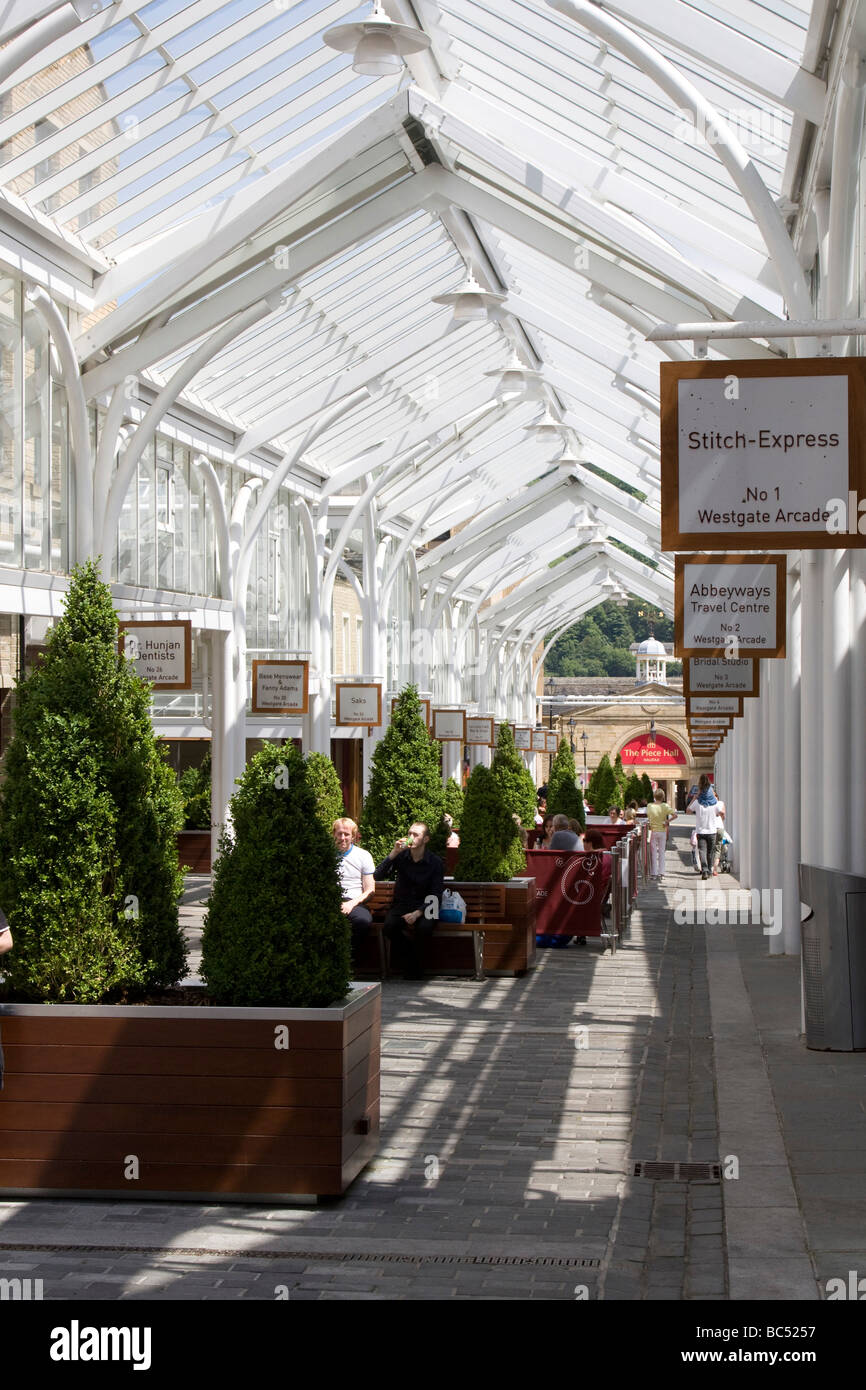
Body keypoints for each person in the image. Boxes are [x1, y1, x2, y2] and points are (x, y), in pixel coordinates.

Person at [373, 823, 443, 979]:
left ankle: (413, 969)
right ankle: (413, 963)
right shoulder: (401, 857)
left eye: (416, 834)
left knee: (424, 928)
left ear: (426, 839)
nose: (411, 837)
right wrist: (393, 853)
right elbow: (377, 877)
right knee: (389, 927)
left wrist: (417, 913)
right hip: (402, 904)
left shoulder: (435, 862)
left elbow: (436, 894)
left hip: (427, 906)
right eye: (410, 833)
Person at [333, 819, 375, 964]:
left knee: (363, 921)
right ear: (334, 835)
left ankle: (346, 960)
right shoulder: (325, 854)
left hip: (355, 902)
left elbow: (370, 890)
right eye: (339, 834)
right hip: (330, 900)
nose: (343, 838)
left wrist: (351, 904)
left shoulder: (363, 856)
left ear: (353, 836)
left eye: (346, 834)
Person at [687, 775, 718, 879]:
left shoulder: (697, 802)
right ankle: (709, 871)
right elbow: (719, 812)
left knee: (702, 851)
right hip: (712, 831)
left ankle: (704, 870)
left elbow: (688, 811)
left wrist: (694, 798)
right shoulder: (714, 802)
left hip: (701, 831)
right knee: (710, 852)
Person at [647, 788, 676, 879]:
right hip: (662, 830)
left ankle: (654, 873)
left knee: (653, 852)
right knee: (662, 852)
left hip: (653, 830)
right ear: (663, 797)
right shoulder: (665, 806)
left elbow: (648, 816)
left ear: (654, 796)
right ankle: (661, 872)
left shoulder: (650, 806)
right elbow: (675, 815)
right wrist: (667, 821)